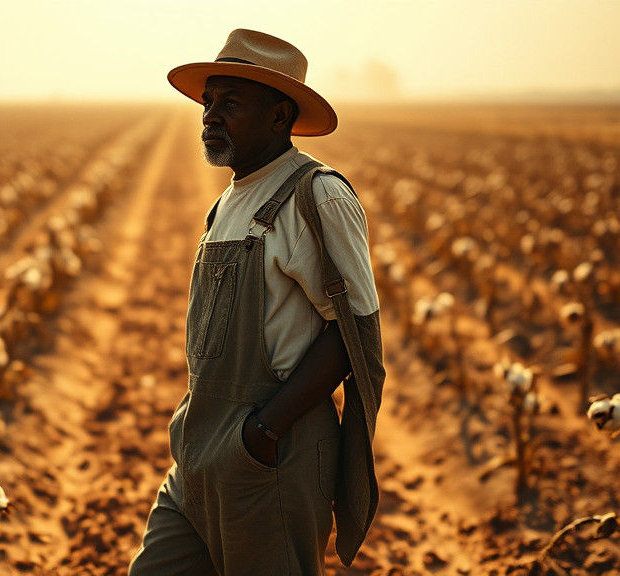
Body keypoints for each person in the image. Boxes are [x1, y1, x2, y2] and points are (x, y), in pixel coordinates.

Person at [129, 29, 385, 575]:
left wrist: (261, 434)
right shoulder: (228, 201)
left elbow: (353, 332)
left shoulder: (317, 195)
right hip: (198, 451)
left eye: (231, 103)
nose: (210, 116)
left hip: (271, 456)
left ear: (278, 117)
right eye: (209, 102)